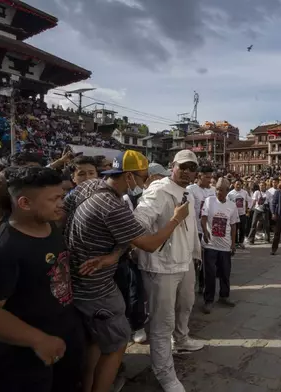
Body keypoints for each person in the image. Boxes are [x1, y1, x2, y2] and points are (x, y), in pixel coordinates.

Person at [64, 150, 190, 392]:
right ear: (129, 177)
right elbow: (150, 244)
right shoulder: (113, 206)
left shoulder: (88, 187)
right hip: (96, 288)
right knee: (117, 343)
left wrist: (109, 253)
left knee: (96, 343)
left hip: (76, 277)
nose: (145, 183)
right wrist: (175, 219)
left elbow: (64, 213)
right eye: (143, 178)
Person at [0, 167, 84, 392]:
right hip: (23, 362)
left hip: (62, 344)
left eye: (62, 196)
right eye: (54, 199)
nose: (61, 203)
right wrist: (38, 340)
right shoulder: (2, 249)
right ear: (25, 204)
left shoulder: (50, 226)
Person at [134, 150, 204, 392]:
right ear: (171, 166)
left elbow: (192, 228)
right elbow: (138, 223)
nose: (186, 171)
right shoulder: (159, 191)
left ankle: (182, 339)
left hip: (184, 262)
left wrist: (195, 254)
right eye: (182, 166)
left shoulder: (189, 193)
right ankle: (165, 374)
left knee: (186, 304)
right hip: (161, 266)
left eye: (191, 168)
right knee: (162, 323)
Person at [201, 177, 239, 314]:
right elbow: (203, 217)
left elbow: (233, 226)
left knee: (225, 273)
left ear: (227, 191)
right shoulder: (209, 201)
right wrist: (205, 231)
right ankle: (208, 300)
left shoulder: (232, 205)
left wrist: (233, 244)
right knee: (209, 274)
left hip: (225, 246)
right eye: (217, 189)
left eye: (222, 190)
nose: (219, 192)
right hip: (210, 245)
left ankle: (224, 296)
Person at [186, 166, 215, 295]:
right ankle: (190, 285)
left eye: (211, 177)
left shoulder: (213, 191)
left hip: (208, 231)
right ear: (199, 176)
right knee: (193, 260)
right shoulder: (191, 189)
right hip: (195, 230)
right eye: (207, 177)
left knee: (206, 261)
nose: (210, 180)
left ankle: (202, 286)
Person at [227, 179, 252, 249]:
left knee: (242, 229)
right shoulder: (230, 194)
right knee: (234, 229)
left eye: (239, 184)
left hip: (242, 214)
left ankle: (241, 242)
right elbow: (226, 203)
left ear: (242, 185)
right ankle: (235, 243)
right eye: (237, 184)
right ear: (234, 184)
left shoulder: (244, 192)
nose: (238, 186)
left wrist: (248, 209)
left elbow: (250, 201)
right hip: (234, 215)